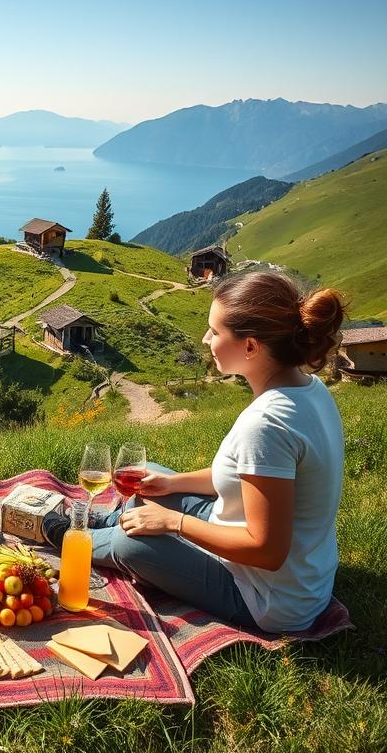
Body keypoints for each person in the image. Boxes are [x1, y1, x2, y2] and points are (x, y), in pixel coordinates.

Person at [43, 271, 346, 632]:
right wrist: (173, 485)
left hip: (268, 597)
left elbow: (267, 550)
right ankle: (108, 521)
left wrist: (175, 523)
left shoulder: (266, 424)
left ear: (250, 346)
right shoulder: (308, 389)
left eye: (215, 332)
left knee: (131, 546)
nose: (206, 339)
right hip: (300, 571)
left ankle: (77, 539)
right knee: (150, 476)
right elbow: (240, 477)